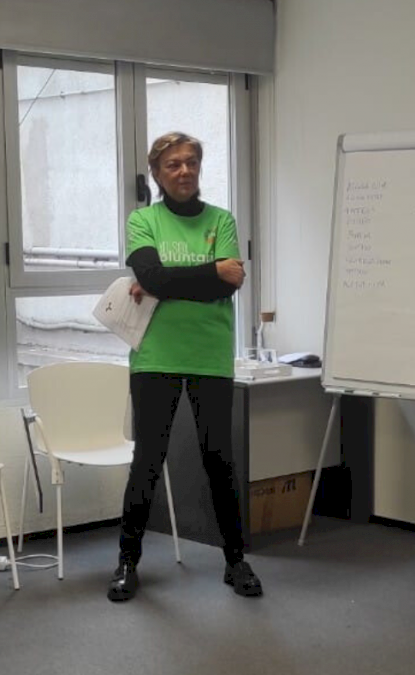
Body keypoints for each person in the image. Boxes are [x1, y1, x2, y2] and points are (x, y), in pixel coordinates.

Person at [108, 132, 264, 601]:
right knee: (147, 462)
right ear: (157, 174)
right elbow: (152, 275)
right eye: (173, 164)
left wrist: (166, 283)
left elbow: (227, 285)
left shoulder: (221, 220)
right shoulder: (144, 220)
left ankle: (235, 561)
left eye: (191, 162)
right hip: (154, 357)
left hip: (210, 356)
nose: (184, 171)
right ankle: (127, 562)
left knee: (219, 460)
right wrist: (209, 272)